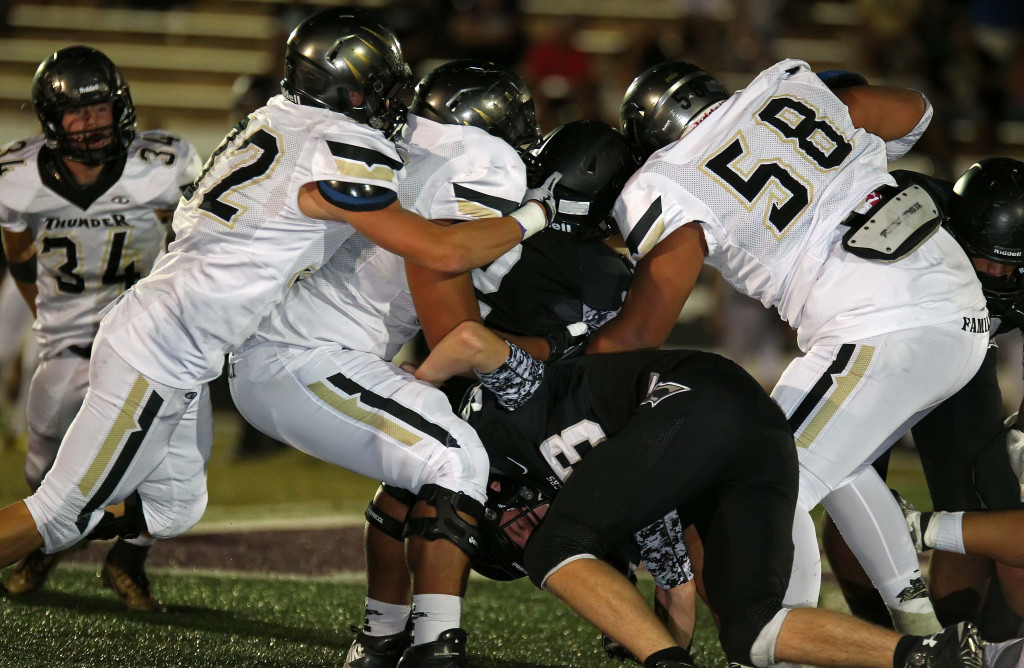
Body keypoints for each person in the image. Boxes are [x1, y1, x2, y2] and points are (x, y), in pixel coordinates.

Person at [0, 7, 555, 598]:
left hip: (180, 340)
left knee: (173, 509)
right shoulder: (341, 146)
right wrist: (538, 213)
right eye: (382, 87)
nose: (394, 102)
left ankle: (95, 519)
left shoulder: (275, 118)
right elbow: (440, 252)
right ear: (346, 87)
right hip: (163, 346)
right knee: (58, 511)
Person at [587, 59, 990, 634]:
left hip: (882, 325)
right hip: (956, 309)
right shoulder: (786, 87)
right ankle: (922, 631)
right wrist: (828, 113)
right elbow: (913, 109)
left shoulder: (667, 174)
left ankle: (790, 636)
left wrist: (562, 377)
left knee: (761, 476)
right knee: (827, 454)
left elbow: (639, 333)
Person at [227, 58, 563, 667]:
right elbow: (450, 324)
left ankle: (381, 638)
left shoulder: (401, 142)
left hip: (296, 349)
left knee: (421, 464)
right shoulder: (483, 159)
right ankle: (437, 646)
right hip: (300, 357)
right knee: (454, 456)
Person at [411, 321, 986, 668]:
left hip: (692, 395)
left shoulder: (495, 421)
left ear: (494, 492)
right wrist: (670, 650)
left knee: (555, 550)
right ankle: (928, 654)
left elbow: (467, 339)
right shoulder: (620, 486)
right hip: (753, 435)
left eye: (512, 527)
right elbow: (678, 590)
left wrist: (418, 389)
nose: (527, 529)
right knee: (750, 628)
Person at [330, 115, 639, 668]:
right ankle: (646, 624)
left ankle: (382, 634)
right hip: (535, 402)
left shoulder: (499, 224)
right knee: (625, 505)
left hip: (456, 375)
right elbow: (581, 352)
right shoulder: (603, 269)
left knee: (398, 504)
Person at [0, 46, 201, 610]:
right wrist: (46, 316)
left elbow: (199, 244)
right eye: (76, 113)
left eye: (100, 108)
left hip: (154, 340)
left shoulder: (163, 165)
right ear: (50, 120)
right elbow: (18, 259)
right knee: (44, 451)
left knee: (176, 464)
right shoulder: (17, 178)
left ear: (121, 108)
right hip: (68, 339)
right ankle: (44, 538)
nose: (90, 123)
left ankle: (128, 558)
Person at [821, 157, 1024, 639]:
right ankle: (883, 637)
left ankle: (956, 640)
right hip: (883, 344)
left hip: (968, 355)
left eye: (1008, 263)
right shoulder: (906, 214)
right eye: (982, 257)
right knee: (847, 484)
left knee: (982, 506)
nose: (994, 272)